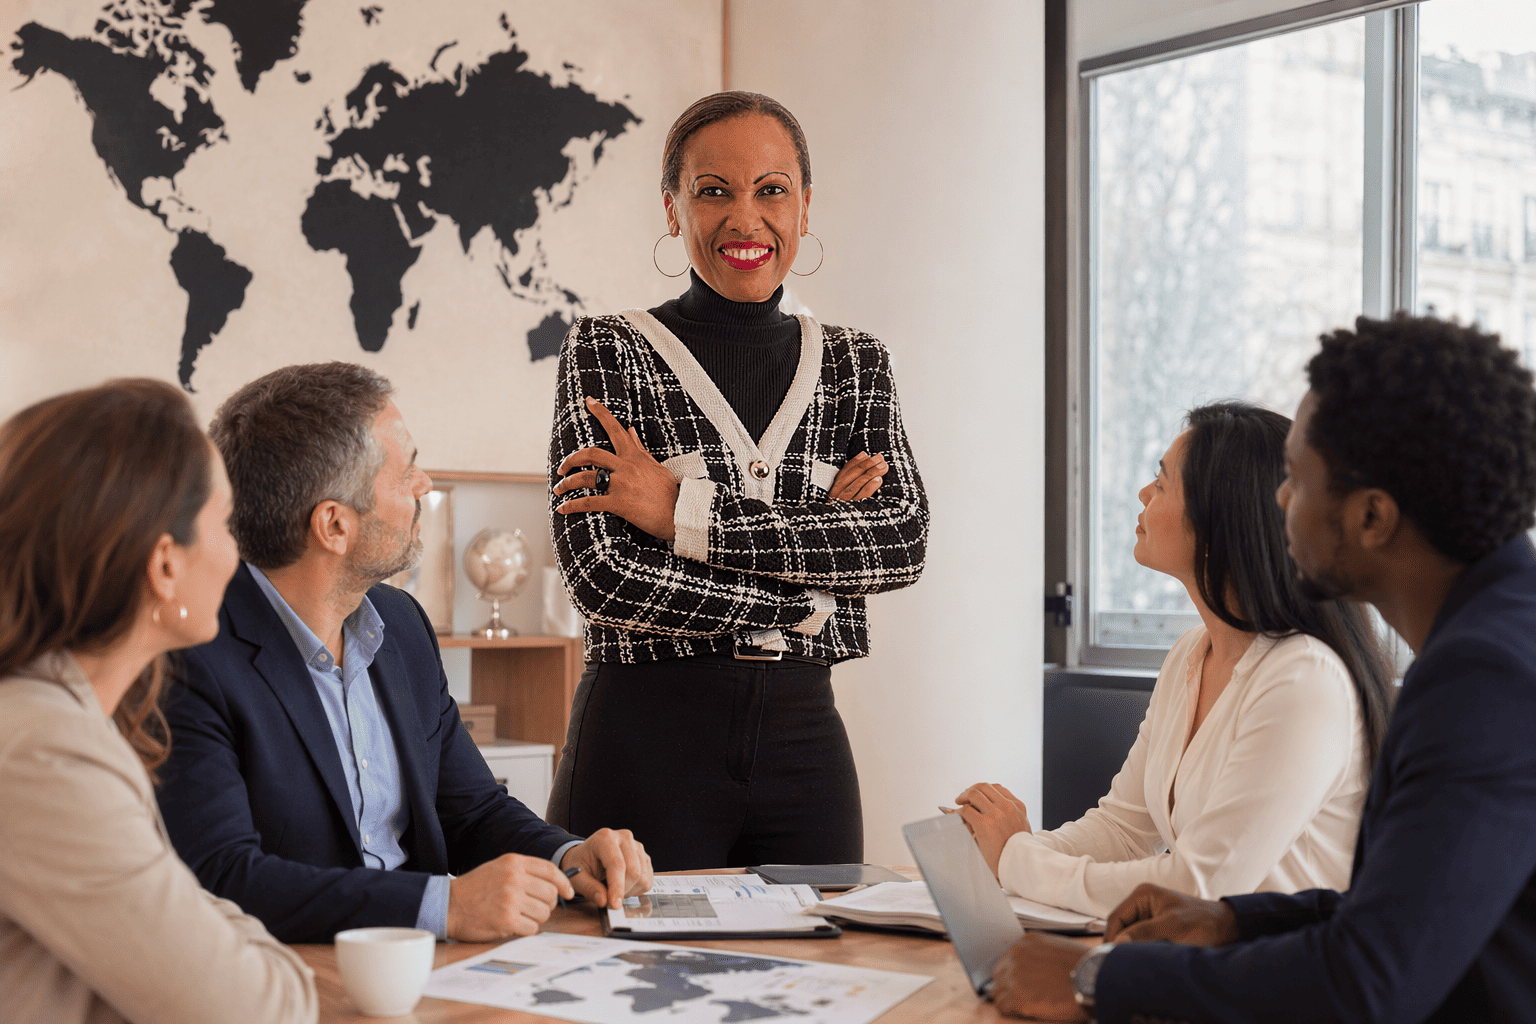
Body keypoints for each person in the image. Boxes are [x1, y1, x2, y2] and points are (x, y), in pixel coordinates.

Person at [990, 314, 1536, 1024]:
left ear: (1372, 517)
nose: (1279, 500)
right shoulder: (1492, 642)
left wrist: (1101, 979)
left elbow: (1369, 982)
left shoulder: (1484, 679)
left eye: (1299, 480)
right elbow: (1415, 909)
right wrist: (1235, 922)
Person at [546, 90, 929, 869]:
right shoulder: (607, 351)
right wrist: (814, 599)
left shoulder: (858, 363)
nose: (744, 220)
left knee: (823, 979)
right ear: (672, 206)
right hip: (643, 737)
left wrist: (682, 517)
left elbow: (900, 544)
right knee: (629, 984)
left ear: (806, 205)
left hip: (804, 742)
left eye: (772, 190)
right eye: (713, 191)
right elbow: (605, 577)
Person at [155, 363, 652, 946]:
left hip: (427, 969)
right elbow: (224, 878)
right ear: (333, 526)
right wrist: (442, 905)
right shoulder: (191, 657)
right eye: (406, 470)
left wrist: (568, 854)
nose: (424, 484)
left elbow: (469, 809)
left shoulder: (402, 625)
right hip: (290, 971)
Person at [955, 402, 1394, 919]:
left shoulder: (1303, 678)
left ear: (1219, 520)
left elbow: (1197, 886)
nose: (1144, 494)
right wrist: (1003, 850)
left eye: (1161, 483)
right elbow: (1123, 828)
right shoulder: (1192, 653)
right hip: (1204, 971)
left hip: (1280, 985)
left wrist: (1018, 859)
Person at [0, 380, 316, 1024]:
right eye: (225, 525)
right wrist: (254, 948)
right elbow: (262, 1009)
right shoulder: (46, 752)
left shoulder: (58, 717)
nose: (236, 552)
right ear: (165, 564)